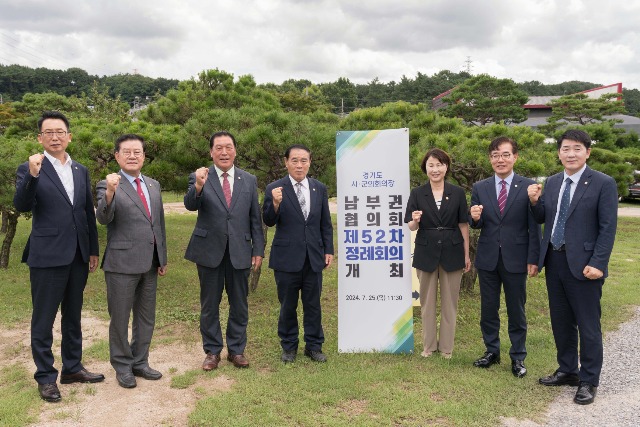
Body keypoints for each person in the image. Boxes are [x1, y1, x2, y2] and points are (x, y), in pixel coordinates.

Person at [13, 111, 103, 403]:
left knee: (73, 315)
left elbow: (87, 211)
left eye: (60, 131)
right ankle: (46, 377)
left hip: (77, 254)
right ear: (40, 138)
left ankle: (73, 368)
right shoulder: (30, 168)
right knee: (44, 318)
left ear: (69, 136)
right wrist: (33, 175)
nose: (55, 136)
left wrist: (92, 250)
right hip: (47, 254)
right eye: (48, 132)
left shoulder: (81, 170)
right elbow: (22, 204)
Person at [527, 129, 618, 405]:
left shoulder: (603, 183)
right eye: (566, 148)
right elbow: (545, 216)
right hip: (555, 260)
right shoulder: (553, 182)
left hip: (586, 265)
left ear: (587, 152)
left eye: (577, 148)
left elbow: (607, 227)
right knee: (561, 321)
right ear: (559, 152)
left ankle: (589, 380)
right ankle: (568, 370)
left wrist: (598, 263)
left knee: (588, 325)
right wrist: (534, 202)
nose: (571, 153)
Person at [184, 131, 264, 370]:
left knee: (239, 303)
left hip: (240, 250)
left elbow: (255, 218)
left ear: (235, 151)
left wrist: (258, 249)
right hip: (209, 251)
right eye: (218, 148)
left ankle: (237, 351)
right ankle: (212, 351)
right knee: (210, 304)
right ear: (211, 152)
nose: (224, 152)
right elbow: (190, 205)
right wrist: (198, 186)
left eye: (228, 147)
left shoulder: (248, 180)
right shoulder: (200, 176)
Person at [96, 134, 168, 389]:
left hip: (150, 261)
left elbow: (157, 223)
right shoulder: (107, 184)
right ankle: (122, 365)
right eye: (126, 152)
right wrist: (111, 192)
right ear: (116, 156)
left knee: (146, 317)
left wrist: (163, 257)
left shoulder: (153, 185)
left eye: (137, 152)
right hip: (121, 263)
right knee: (120, 317)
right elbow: (103, 218)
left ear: (144, 156)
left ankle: (140, 361)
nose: (132, 156)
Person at [469, 136, 541, 378]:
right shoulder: (480, 188)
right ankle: (492, 351)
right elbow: (476, 224)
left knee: (516, 309)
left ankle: (518, 357)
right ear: (490, 159)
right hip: (488, 257)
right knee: (488, 308)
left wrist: (534, 259)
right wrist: (475, 218)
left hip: (516, 258)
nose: (500, 159)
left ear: (515, 157)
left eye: (505, 154)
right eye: (495, 155)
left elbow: (535, 226)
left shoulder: (529, 186)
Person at [263, 144, 334, 363]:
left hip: (313, 257)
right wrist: (274, 203)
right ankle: (289, 346)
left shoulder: (319, 188)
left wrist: (328, 249)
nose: (299, 165)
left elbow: (325, 223)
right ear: (286, 162)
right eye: (294, 160)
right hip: (286, 259)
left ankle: (313, 345)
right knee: (288, 305)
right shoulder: (275, 188)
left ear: (310, 162)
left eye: (304, 160)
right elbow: (268, 220)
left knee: (313, 304)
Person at [404, 148, 470, 359]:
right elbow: (411, 227)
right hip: (426, 252)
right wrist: (415, 219)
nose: (435, 169)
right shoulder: (417, 193)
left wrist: (466, 255)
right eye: (431, 165)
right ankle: (429, 346)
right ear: (425, 168)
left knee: (450, 303)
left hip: (453, 251)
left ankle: (446, 348)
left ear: (446, 167)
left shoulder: (457, 193)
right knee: (427, 303)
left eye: (439, 165)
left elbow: (463, 225)